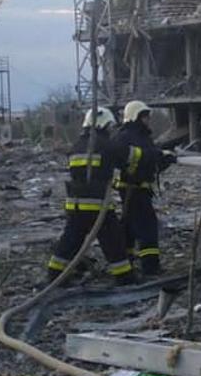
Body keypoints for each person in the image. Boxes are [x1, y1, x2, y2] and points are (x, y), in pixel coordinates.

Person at [46, 107, 134, 285]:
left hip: (75, 203)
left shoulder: (77, 145)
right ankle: (125, 278)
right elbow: (128, 159)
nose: (110, 130)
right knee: (113, 241)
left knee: (70, 240)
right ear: (101, 124)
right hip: (97, 204)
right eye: (109, 126)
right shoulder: (106, 144)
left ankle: (55, 275)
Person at [113, 100, 177, 275]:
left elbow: (150, 164)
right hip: (133, 189)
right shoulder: (125, 136)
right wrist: (156, 155)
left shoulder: (141, 136)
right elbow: (136, 158)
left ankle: (125, 263)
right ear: (135, 116)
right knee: (147, 226)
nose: (148, 119)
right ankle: (150, 267)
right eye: (145, 116)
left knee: (129, 227)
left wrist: (165, 160)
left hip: (139, 189)